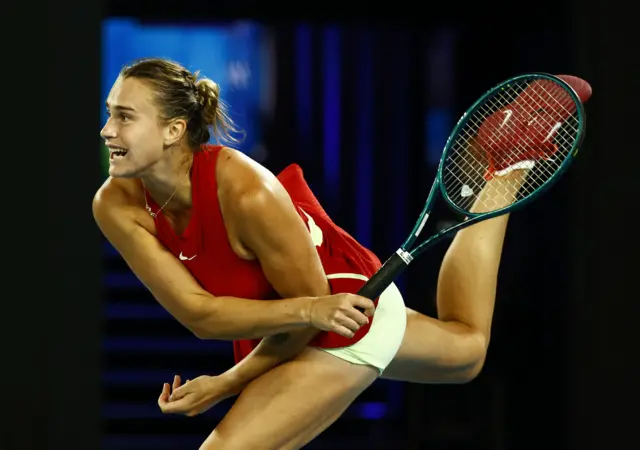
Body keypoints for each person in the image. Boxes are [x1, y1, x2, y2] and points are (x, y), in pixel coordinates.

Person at [93, 58, 586, 450]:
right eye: (110, 112)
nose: (106, 130)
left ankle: (510, 167)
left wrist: (225, 383)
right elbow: (199, 314)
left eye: (124, 116)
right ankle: (506, 170)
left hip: (335, 317)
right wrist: (229, 378)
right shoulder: (115, 203)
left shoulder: (247, 193)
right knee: (468, 352)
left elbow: (310, 321)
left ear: (174, 130)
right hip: (295, 312)